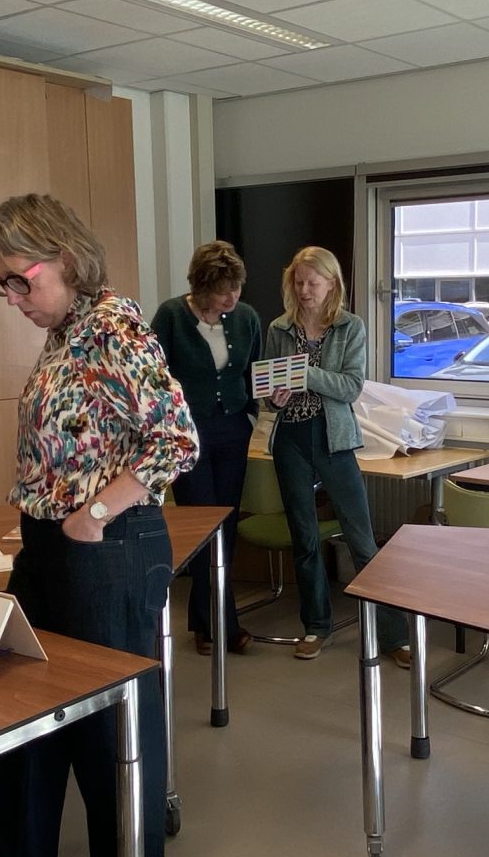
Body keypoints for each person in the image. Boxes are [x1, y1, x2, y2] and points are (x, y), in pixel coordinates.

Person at [0, 194, 196, 857]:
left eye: (18, 279)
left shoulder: (114, 327)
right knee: (18, 707)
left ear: (62, 258)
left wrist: (96, 511)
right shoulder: (65, 335)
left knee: (109, 730)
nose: (10, 297)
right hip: (52, 545)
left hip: (109, 549)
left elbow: (176, 440)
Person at [263, 248, 409, 664]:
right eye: (298, 282)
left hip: (334, 437)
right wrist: (275, 396)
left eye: (313, 282)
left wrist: (303, 372)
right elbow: (270, 394)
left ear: (332, 284)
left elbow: (350, 387)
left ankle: (393, 635)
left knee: (361, 540)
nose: (304, 290)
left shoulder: (349, 327)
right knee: (304, 539)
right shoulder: (279, 328)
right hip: (291, 437)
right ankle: (316, 626)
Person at [149, 240, 263, 655]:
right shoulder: (171, 316)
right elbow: (153, 377)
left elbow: (255, 371)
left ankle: (205, 620)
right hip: (188, 436)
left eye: (236, 287)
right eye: (222, 289)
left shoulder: (246, 317)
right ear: (200, 286)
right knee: (202, 525)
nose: (232, 297)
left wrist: (251, 414)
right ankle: (223, 625)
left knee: (226, 526)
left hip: (233, 430)